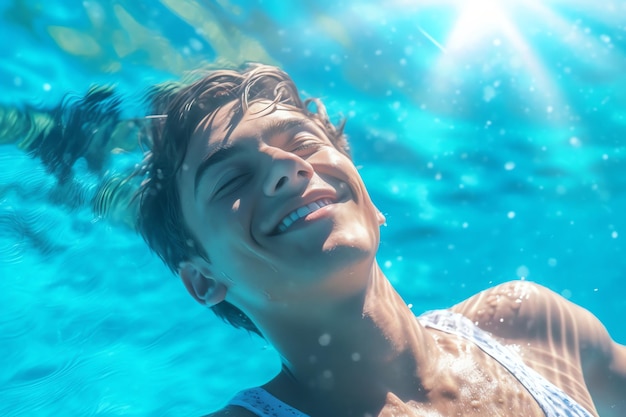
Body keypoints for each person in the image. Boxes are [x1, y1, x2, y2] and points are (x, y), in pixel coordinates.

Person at [128, 63, 625, 417]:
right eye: (231, 179)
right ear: (202, 279)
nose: (287, 168)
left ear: (369, 200)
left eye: (301, 144)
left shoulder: (527, 327)